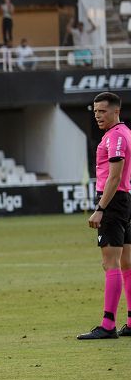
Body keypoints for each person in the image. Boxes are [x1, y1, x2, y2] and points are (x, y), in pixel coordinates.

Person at [78, 93, 131, 339]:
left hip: (114, 201)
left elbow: (114, 176)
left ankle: (108, 325)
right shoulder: (123, 133)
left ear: (115, 111)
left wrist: (100, 208)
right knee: (126, 263)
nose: (97, 115)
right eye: (95, 111)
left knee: (110, 263)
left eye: (102, 111)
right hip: (125, 199)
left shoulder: (117, 136)